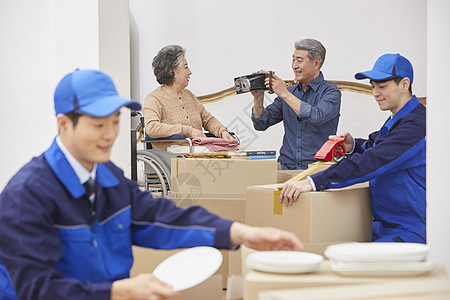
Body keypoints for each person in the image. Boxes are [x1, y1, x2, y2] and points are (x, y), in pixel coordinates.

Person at [0, 69, 303, 300]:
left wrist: (243, 233)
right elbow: (34, 288)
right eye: (98, 125)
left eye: (115, 123)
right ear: (65, 124)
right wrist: (118, 291)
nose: (110, 135)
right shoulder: (27, 195)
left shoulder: (108, 179)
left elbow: (162, 217)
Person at [279, 53, 426, 243]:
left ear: (404, 84)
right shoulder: (398, 120)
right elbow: (375, 145)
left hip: (409, 228)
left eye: (382, 87)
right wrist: (353, 145)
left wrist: (314, 182)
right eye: (373, 87)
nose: (375, 93)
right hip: (383, 223)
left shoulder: (417, 124)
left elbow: (375, 160)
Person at [251, 39, 341, 170]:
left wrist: (284, 93)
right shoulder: (289, 93)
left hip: (317, 168)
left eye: (299, 60)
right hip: (285, 166)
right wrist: (258, 98)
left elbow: (317, 116)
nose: (294, 66)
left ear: (316, 63)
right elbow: (261, 124)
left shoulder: (331, 92)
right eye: (293, 60)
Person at [144, 45, 234, 150]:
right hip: (173, 157)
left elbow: (207, 120)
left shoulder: (189, 96)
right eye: (186, 67)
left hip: (198, 153)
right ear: (172, 72)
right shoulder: (154, 98)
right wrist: (187, 131)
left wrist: (222, 131)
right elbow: (152, 128)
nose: (190, 72)